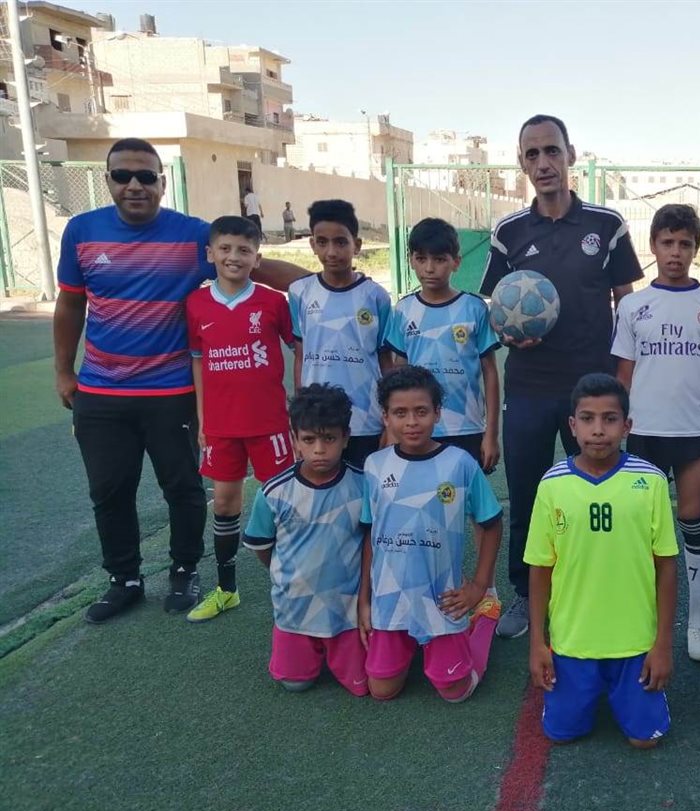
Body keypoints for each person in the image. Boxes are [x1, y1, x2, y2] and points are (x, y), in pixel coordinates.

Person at [53, 137, 308, 624]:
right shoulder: (81, 231)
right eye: (122, 175)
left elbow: (253, 261)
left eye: (145, 176)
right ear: (107, 180)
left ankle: (185, 571)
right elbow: (70, 303)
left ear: (162, 182)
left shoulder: (193, 235)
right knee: (109, 489)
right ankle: (123, 579)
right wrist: (64, 370)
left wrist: (332, 281)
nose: (134, 185)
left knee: (183, 487)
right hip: (102, 391)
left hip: (171, 391)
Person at [480, 114, 644, 640]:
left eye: (552, 150)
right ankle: (525, 594)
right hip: (529, 386)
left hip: (590, 392)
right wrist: (509, 334)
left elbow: (627, 305)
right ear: (522, 163)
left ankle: (592, 587)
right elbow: (492, 306)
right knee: (528, 496)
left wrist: (620, 385)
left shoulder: (606, 225)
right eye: (532, 154)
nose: (543, 163)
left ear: (571, 154)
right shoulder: (509, 232)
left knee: (594, 491)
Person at [525, 374, 678, 748]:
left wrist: (662, 644)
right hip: (573, 641)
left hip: (635, 642)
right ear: (572, 425)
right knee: (562, 735)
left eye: (609, 419)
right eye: (587, 419)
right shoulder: (552, 484)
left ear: (627, 426)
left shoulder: (651, 481)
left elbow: (666, 566)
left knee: (645, 741)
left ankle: (629, 694)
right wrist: (538, 643)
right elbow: (540, 568)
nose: (598, 430)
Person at [612, 203, 700, 662]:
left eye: (684, 244)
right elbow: (624, 373)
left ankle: (698, 620)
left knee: (693, 519)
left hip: (694, 433)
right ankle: (645, 617)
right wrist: (617, 429)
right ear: (653, 246)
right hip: (644, 432)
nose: (675, 252)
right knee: (645, 527)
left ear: (696, 249)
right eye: (667, 243)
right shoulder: (632, 305)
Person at [358, 367, 503, 703]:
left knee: (455, 692)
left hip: (443, 600)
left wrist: (479, 586)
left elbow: (492, 523)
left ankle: (484, 620)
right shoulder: (374, 466)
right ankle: (412, 644)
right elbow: (370, 536)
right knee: (381, 691)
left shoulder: (460, 464)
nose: (412, 422)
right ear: (385, 417)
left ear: (437, 413)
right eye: (400, 413)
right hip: (390, 599)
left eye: (421, 411)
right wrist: (364, 600)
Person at [384, 217, 502, 609]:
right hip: (417, 430)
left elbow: (490, 372)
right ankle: (423, 582)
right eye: (421, 259)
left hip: (466, 428)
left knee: (476, 511)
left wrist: (490, 433)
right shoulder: (403, 311)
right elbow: (397, 373)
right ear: (411, 261)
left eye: (439, 259)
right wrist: (393, 430)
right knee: (422, 505)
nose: (430, 268)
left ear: (456, 262)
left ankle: (485, 589)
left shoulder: (473, 308)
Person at [184, 215, 296, 623]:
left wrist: (298, 412)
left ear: (257, 258)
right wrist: (203, 419)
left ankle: (295, 581)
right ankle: (226, 588)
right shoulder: (196, 304)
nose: (234, 257)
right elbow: (199, 362)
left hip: (270, 423)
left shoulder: (273, 302)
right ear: (210, 253)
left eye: (244, 250)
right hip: (221, 425)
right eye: (226, 248)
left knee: (283, 500)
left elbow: (299, 348)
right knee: (225, 501)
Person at [242, 384, 369, 696]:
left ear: (346, 438)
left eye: (329, 439)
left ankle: (341, 649)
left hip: (347, 611)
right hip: (295, 608)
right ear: (294, 440)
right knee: (294, 683)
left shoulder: (363, 485)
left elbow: (371, 542)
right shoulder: (274, 492)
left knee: (364, 685)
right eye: (309, 440)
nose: (319, 450)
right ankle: (303, 650)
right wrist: (288, 574)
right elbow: (263, 547)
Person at [288, 199, 395, 468]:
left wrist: (390, 419)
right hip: (318, 420)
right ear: (312, 244)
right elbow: (300, 356)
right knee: (324, 487)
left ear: (356, 245)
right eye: (322, 242)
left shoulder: (376, 296)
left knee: (366, 486)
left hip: (365, 419)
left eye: (340, 242)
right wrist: (299, 415)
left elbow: (385, 362)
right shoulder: (300, 292)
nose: (331, 251)